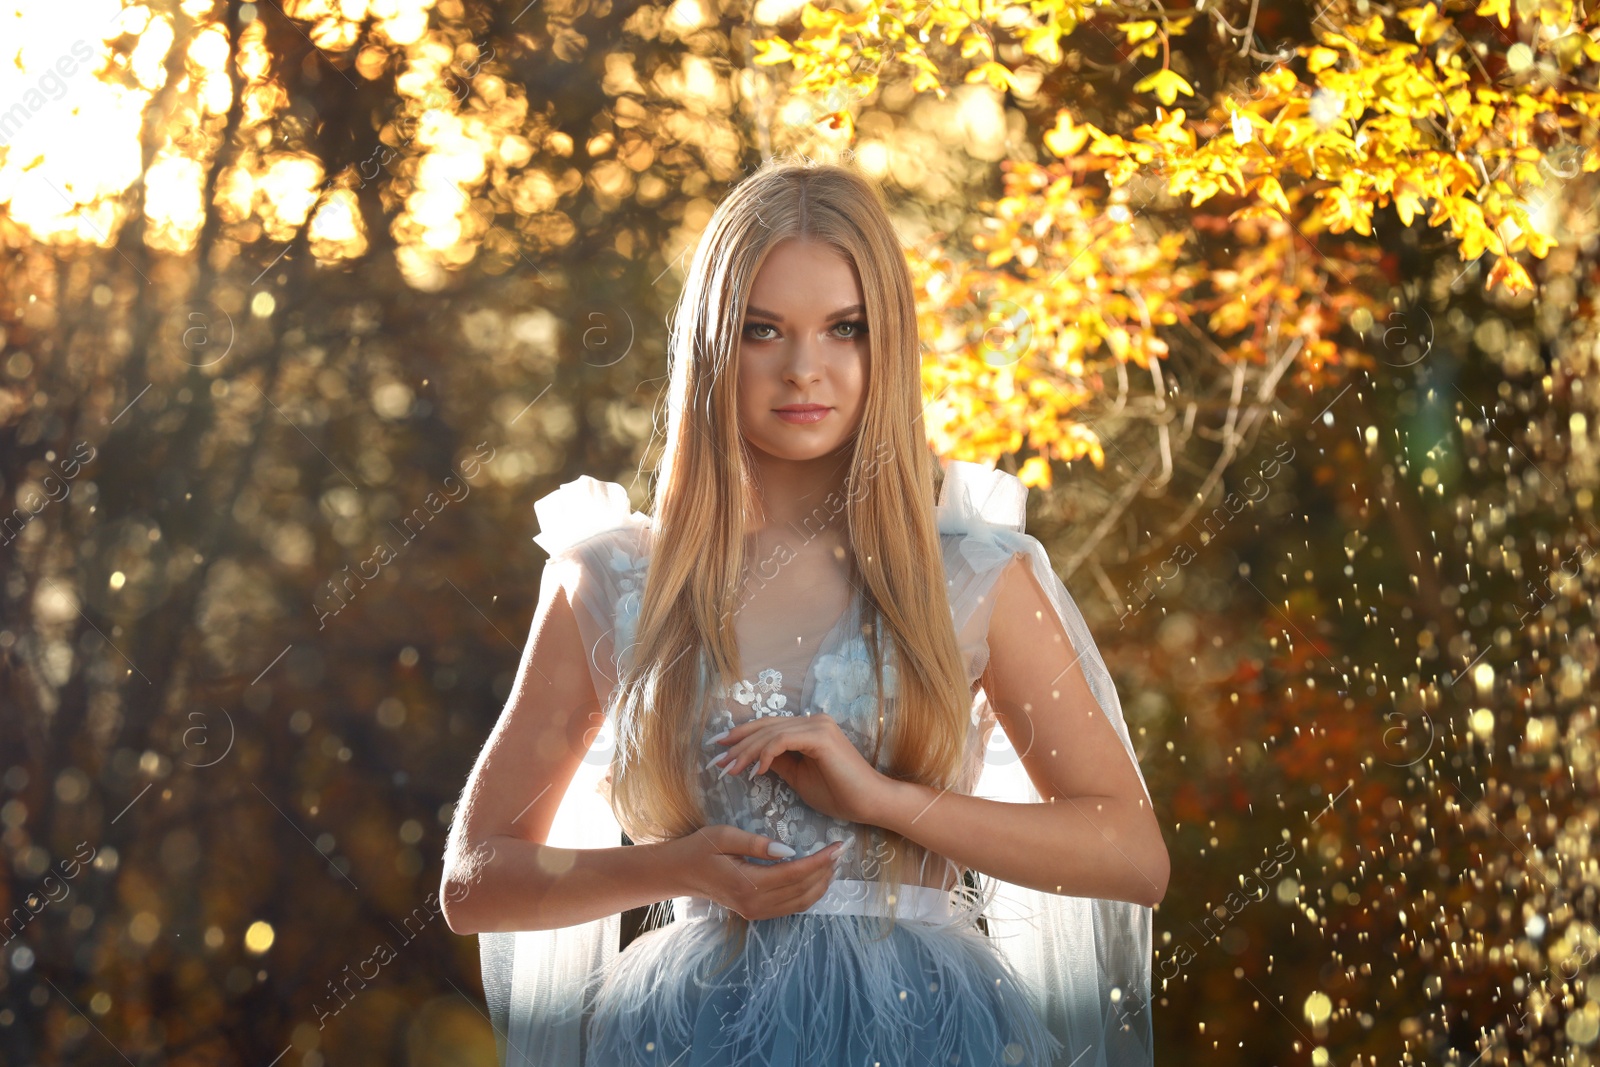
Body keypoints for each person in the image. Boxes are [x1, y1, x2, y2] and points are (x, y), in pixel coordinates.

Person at [440, 158, 1168, 1067]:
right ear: (713, 343)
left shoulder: (974, 576)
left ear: (887, 341)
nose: (803, 370)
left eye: (844, 329)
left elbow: (1134, 856)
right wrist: (673, 869)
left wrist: (889, 801)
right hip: (686, 1034)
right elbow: (474, 880)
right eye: (762, 330)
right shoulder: (615, 579)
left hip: (932, 1033)